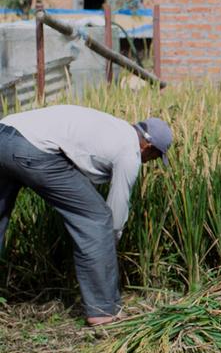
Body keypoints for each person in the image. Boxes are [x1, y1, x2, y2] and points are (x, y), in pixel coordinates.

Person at [0, 105, 172, 325]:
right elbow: (117, 209)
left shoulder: (115, 127)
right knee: (97, 219)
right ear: (148, 146)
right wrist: (109, 242)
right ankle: (103, 311)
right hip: (32, 148)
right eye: (156, 157)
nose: (151, 162)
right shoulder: (130, 152)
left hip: (5, 132)